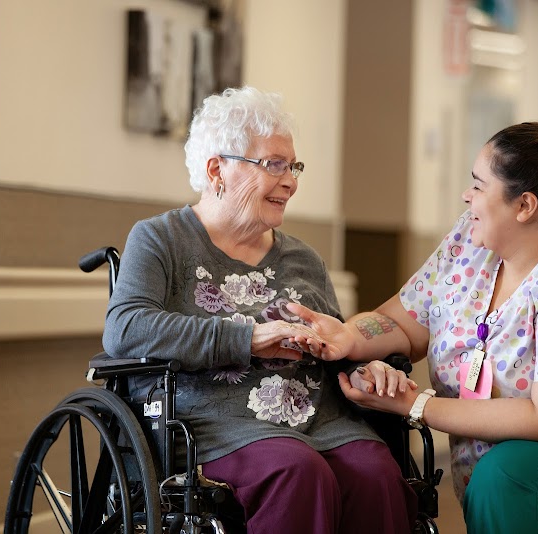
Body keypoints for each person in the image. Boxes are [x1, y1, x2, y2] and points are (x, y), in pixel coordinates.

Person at [289, 113, 538, 533]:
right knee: (500, 476)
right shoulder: (471, 240)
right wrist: (349, 336)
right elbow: (404, 323)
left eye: (479, 186)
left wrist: (415, 405)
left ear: (525, 205)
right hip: (505, 467)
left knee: (506, 478)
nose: (466, 196)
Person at [102, 86, 417, 534]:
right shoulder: (161, 239)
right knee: (297, 472)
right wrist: (248, 338)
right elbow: (125, 328)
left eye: (293, 167)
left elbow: (336, 343)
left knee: (376, 475)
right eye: (273, 164)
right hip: (214, 425)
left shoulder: (304, 258)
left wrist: (365, 368)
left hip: (321, 420)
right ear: (217, 169)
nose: (291, 181)